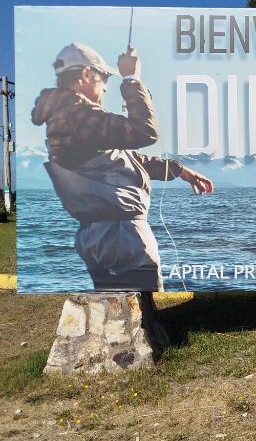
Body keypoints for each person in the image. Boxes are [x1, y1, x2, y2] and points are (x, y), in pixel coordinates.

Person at [31, 42, 213, 291]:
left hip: (104, 235)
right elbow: (145, 132)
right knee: (143, 303)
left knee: (115, 304)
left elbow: (121, 159)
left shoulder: (68, 117)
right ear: (86, 74)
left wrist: (179, 171)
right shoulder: (77, 116)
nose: (106, 87)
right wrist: (131, 78)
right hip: (119, 236)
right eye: (104, 78)